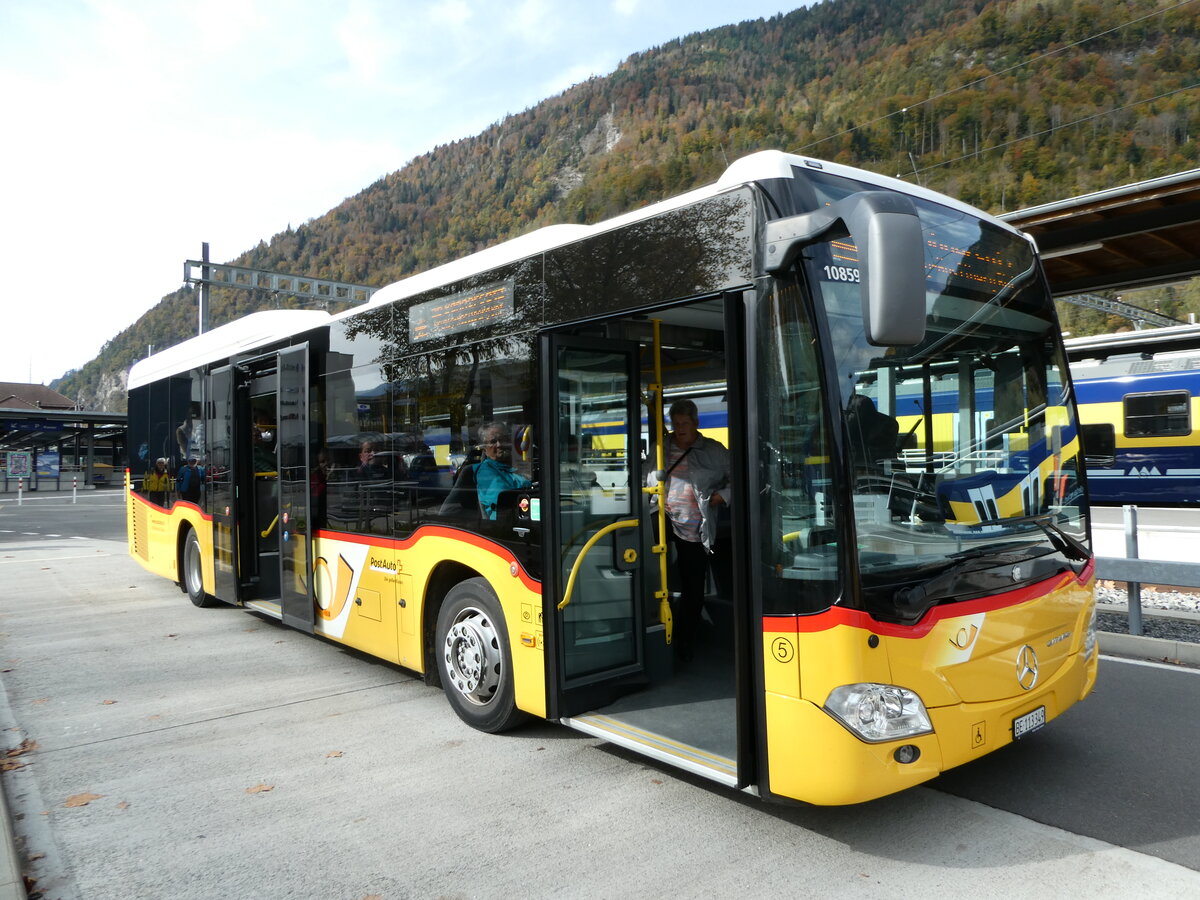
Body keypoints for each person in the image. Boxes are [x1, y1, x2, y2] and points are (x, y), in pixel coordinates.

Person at [649, 399, 731, 662]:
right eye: (676, 423)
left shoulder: (714, 451)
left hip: (695, 528)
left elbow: (739, 477)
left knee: (692, 584)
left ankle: (684, 642)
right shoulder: (661, 448)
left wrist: (722, 496)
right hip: (662, 519)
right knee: (653, 576)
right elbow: (644, 478)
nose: (680, 428)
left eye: (685, 423)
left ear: (696, 423)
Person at [474, 422, 532, 520]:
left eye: (503, 439)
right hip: (503, 523)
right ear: (484, 450)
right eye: (493, 442)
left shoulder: (511, 466)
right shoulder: (485, 472)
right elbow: (506, 499)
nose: (499, 445)